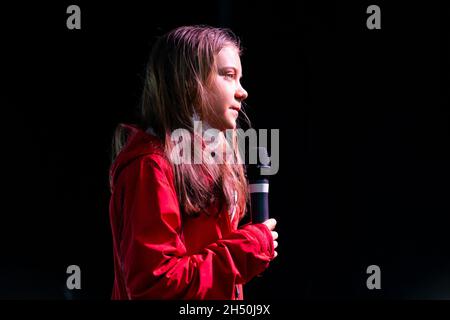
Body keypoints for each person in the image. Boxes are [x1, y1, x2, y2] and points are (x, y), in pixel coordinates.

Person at [109, 25, 278, 300]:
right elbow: (155, 287)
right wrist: (245, 249)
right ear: (188, 82)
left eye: (240, 78)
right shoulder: (149, 167)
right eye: (228, 76)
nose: (242, 92)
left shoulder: (212, 160)